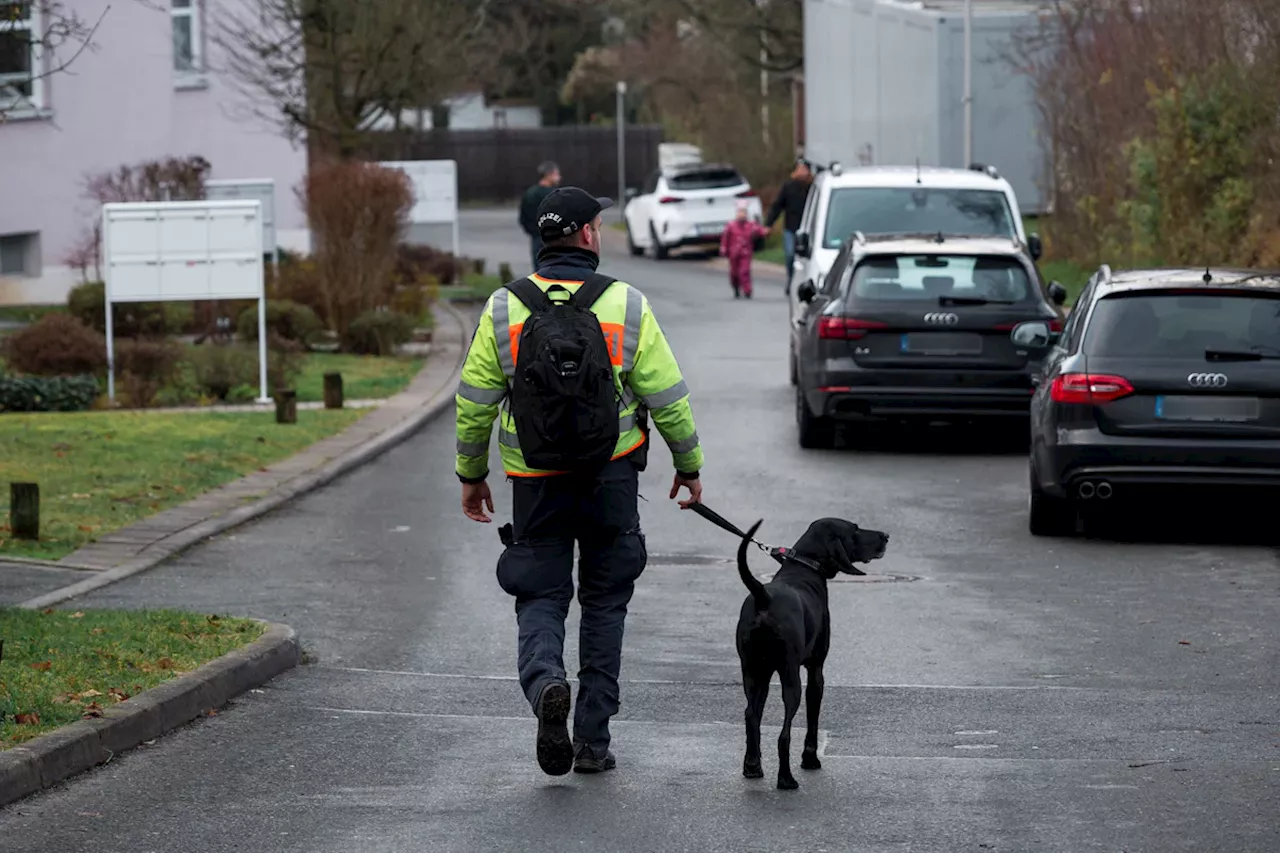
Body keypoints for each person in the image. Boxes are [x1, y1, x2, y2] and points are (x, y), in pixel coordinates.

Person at [455, 186, 705, 777]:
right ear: (588, 235)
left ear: (544, 238)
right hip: (609, 479)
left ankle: (546, 683)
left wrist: (471, 475)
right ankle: (592, 741)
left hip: (534, 482)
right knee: (605, 602)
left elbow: (473, 405)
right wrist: (688, 466)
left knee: (540, 595)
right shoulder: (626, 305)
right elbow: (668, 398)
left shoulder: (502, 308)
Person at [764, 158, 813, 292]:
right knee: (790, 255)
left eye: (804, 169)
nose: (801, 172)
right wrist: (769, 224)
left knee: (807, 258)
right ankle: (791, 280)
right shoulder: (788, 187)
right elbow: (777, 206)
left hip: (808, 229)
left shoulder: (812, 188)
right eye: (799, 169)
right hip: (791, 229)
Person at [720, 202, 771, 299]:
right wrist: (724, 248)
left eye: (744, 212)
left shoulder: (750, 225)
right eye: (740, 212)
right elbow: (725, 238)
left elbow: (759, 230)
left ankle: (747, 290)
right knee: (734, 273)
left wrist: (765, 232)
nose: (742, 215)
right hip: (733, 253)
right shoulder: (731, 226)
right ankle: (736, 287)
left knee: (744, 271)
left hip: (745, 253)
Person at [519, 161, 561, 270]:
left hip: (536, 236)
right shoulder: (556, 194)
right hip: (555, 238)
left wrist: (532, 231)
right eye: (557, 174)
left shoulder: (530, 193)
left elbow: (523, 217)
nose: (559, 177)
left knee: (539, 270)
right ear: (549, 175)